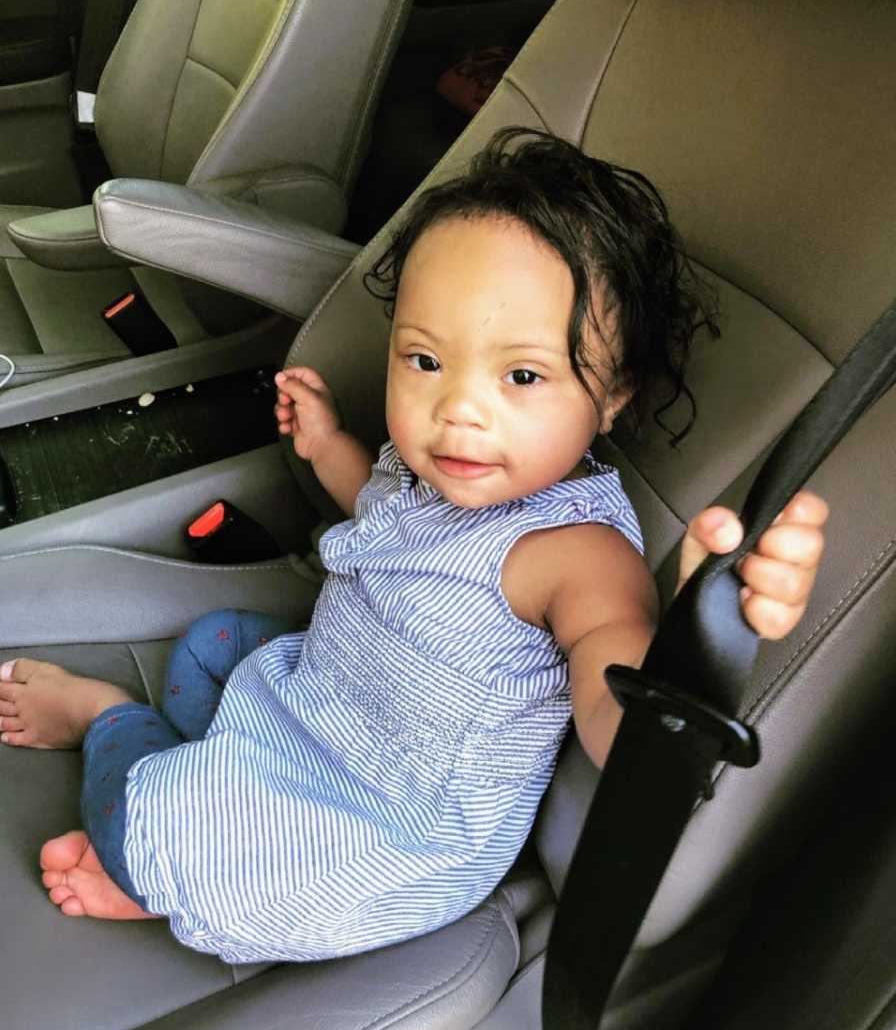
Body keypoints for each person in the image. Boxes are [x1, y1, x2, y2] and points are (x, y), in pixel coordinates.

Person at [0, 129, 827, 963]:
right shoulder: (433, 471)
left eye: (523, 376)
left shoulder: (578, 557)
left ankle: (108, 721)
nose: (457, 409)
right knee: (212, 644)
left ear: (612, 396)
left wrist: (697, 646)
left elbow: (620, 713)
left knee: (129, 830)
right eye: (426, 359)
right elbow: (386, 516)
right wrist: (325, 444)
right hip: (331, 691)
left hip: (380, 811)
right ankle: (208, 766)